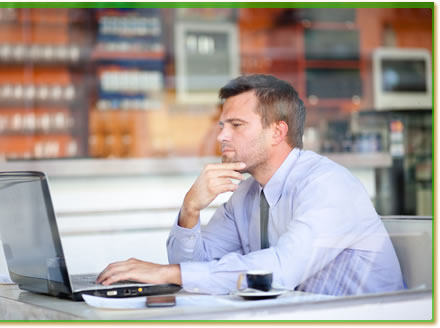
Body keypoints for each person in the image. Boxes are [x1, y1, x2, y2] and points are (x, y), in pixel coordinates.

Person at [97, 74, 404, 296]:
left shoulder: (328, 185)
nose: (221, 137)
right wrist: (190, 209)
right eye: (222, 126)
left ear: (277, 132)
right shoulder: (247, 193)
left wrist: (167, 273)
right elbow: (191, 272)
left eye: (237, 125)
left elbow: (281, 271)